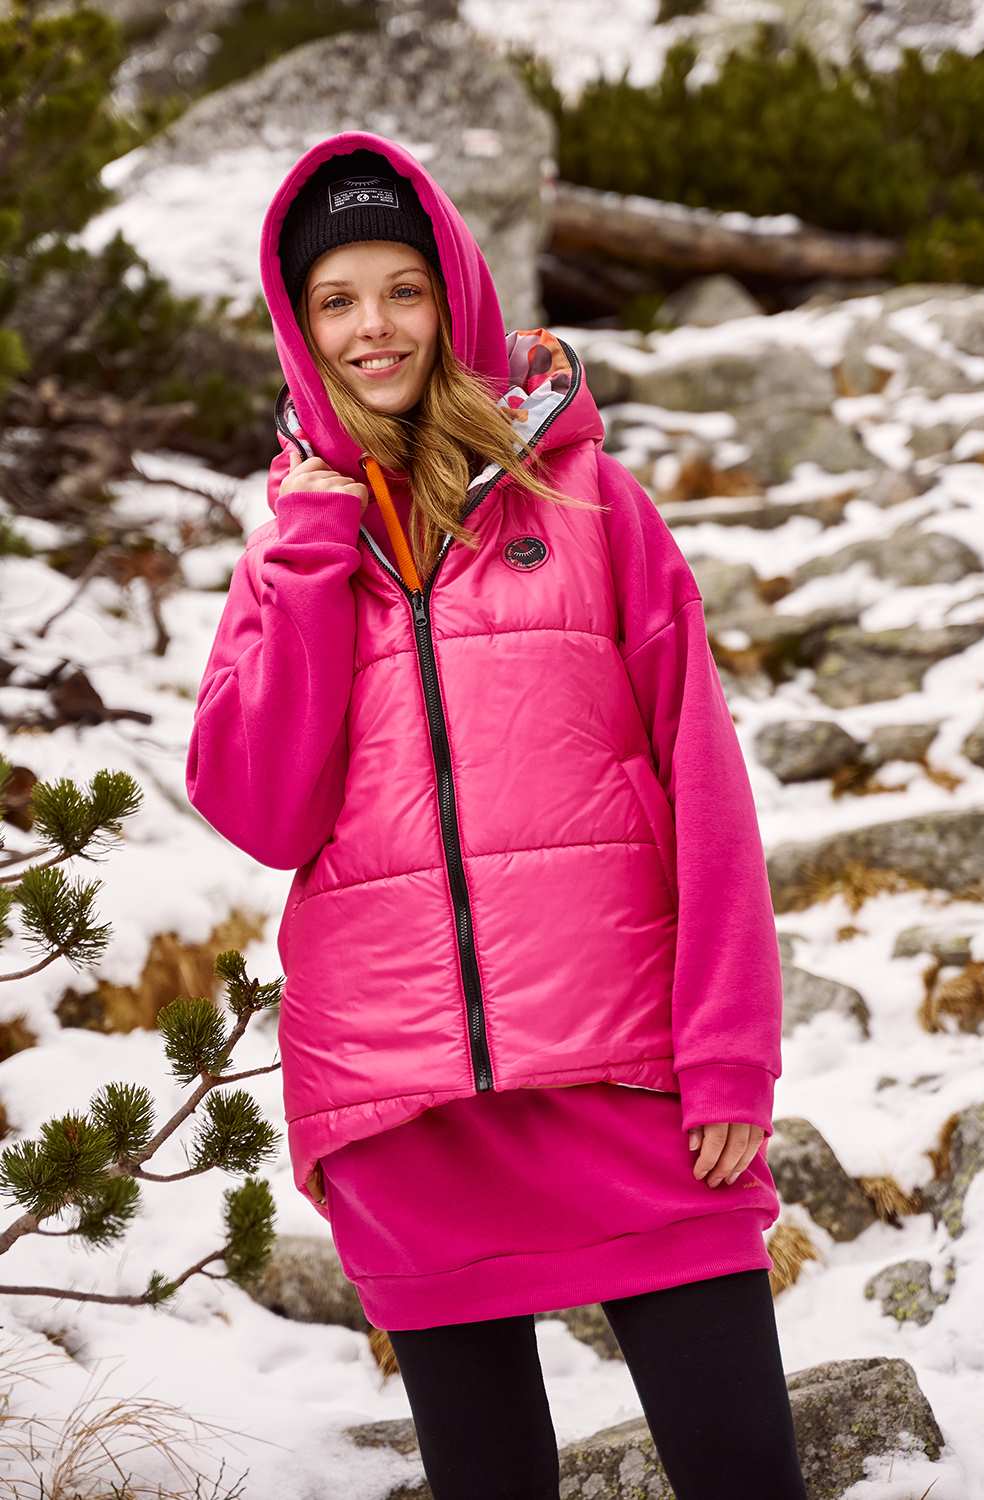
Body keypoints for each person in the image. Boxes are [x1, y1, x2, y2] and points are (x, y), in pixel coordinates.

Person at [186, 131, 808, 1500]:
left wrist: (729, 1053)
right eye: (336, 300)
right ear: (299, 325)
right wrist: (308, 559)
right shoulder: (293, 550)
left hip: (625, 1082)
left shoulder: (590, 505)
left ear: (454, 294)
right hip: (405, 1108)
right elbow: (262, 810)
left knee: (743, 1472)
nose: (373, 328)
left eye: (402, 289)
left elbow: (703, 780)